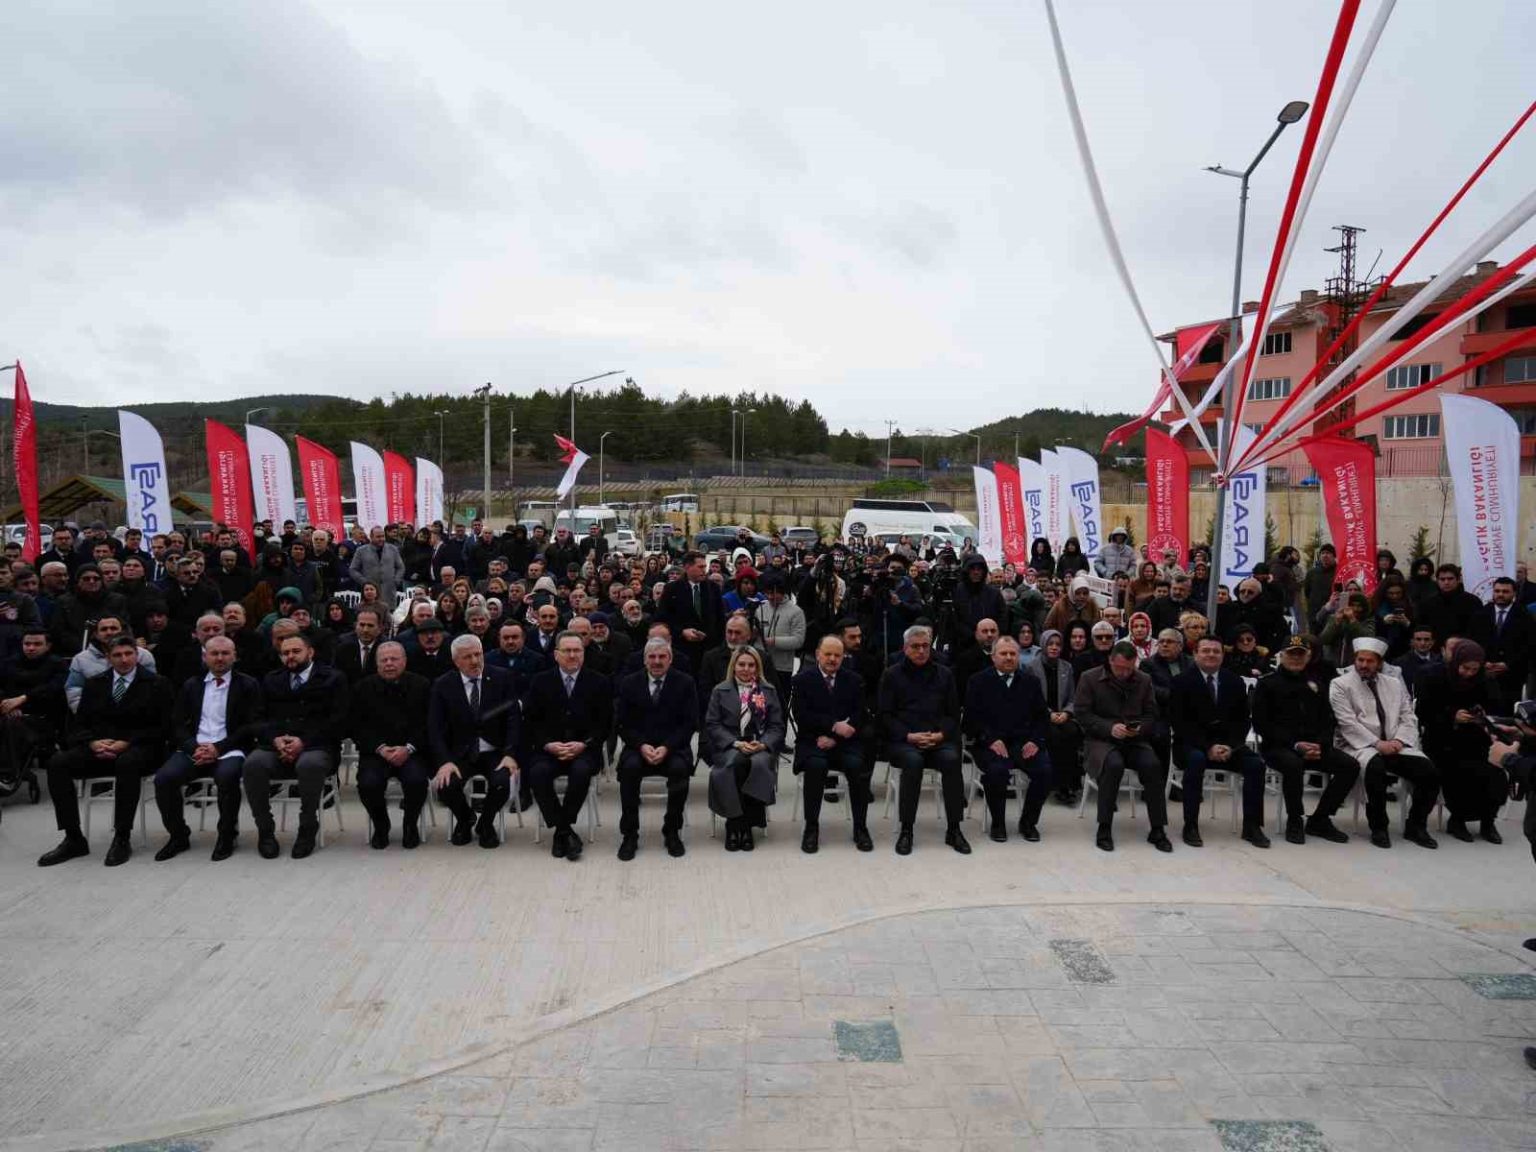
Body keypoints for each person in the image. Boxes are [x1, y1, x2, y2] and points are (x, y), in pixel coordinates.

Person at [38, 637, 174, 867]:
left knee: (127, 763)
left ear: (137, 655)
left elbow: (164, 726)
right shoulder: (95, 683)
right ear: (109, 658)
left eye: (128, 654)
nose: (124, 659)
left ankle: (122, 836)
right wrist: (92, 743)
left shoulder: (157, 683)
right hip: (100, 747)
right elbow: (79, 724)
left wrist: (126, 742)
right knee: (58, 763)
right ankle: (73, 838)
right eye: (117, 655)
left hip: (141, 748)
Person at [152, 636, 264, 861]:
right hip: (195, 748)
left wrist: (218, 748)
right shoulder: (192, 685)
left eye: (225, 653)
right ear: (205, 657)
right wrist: (194, 747)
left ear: (234, 656)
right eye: (214, 653)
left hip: (229, 748)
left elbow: (251, 725)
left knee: (227, 777)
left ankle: (227, 835)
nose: (220, 658)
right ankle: (178, 835)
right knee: (164, 779)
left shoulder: (248, 685)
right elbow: (177, 724)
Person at [242, 632, 350, 859]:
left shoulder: (333, 678)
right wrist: (276, 739)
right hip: (276, 746)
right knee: (253, 764)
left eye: (296, 651)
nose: (290, 656)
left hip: (317, 746)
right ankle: (265, 829)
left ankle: (307, 826)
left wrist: (304, 741)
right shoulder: (271, 679)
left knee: (309, 765)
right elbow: (257, 719)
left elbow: (339, 721)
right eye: (285, 653)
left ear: (310, 652)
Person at [1329, 636, 1440, 850]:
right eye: (1360, 660)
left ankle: (1416, 825)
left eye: (1370, 661)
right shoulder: (1340, 684)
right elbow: (1347, 723)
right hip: (1359, 746)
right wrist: (1377, 744)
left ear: (1379, 663)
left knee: (1429, 772)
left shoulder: (1394, 684)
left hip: (1395, 744)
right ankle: (1379, 827)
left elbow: (1408, 716)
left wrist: (1399, 740)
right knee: (1375, 770)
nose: (1364, 665)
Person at [1249, 636, 1358, 844]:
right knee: (1293, 764)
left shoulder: (1316, 684)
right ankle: (1295, 819)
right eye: (1291, 653)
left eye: (1301, 654)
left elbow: (1328, 720)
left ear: (1308, 657)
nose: (1296, 658)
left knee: (1350, 765)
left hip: (1314, 747)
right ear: (1281, 656)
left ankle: (1320, 818)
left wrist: (1320, 744)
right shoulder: (1267, 684)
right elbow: (1262, 724)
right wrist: (1295, 745)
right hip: (1278, 747)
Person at [1170, 637, 1270, 848]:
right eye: (1205, 650)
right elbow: (1180, 723)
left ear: (1223, 655)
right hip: (1192, 744)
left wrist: (1230, 746)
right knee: (1196, 760)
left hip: (1228, 745)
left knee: (1255, 764)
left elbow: (1243, 720)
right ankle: (1190, 825)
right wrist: (1208, 747)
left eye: (1216, 651)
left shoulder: (1234, 681)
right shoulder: (1181, 681)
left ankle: (1252, 826)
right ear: (1195, 654)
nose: (1211, 655)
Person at [878, 625, 968, 856]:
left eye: (925, 646)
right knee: (913, 762)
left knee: (952, 760)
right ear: (905, 648)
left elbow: (953, 713)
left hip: (937, 739)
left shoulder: (944, 674)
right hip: (905, 740)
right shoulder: (892, 675)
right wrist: (908, 736)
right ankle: (906, 830)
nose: (921, 651)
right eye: (915, 646)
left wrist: (941, 734)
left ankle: (954, 828)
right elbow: (885, 716)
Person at [1073, 641, 1171, 853]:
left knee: (1153, 765)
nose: (1124, 673)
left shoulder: (1144, 680)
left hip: (1134, 740)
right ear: (1110, 661)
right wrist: (1109, 728)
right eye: (1119, 668)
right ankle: (1104, 827)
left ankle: (1158, 828)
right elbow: (1082, 714)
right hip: (1100, 740)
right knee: (1113, 765)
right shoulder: (1089, 678)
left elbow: (1151, 714)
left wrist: (1140, 728)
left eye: (1129, 668)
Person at [524, 630, 612, 860]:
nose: (572, 655)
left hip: (584, 750)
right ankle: (565, 830)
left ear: (584, 653)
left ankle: (560, 831)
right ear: (556, 654)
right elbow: (531, 722)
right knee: (537, 773)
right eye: (567, 651)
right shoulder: (540, 681)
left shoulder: (599, 682)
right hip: (549, 750)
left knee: (581, 772)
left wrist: (584, 744)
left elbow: (605, 724)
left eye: (577, 650)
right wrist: (547, 744)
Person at [427, 635, 519, 848]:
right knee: (445, 785)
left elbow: (513, 720)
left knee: (501, 783)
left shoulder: (502, 678)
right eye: (467, 657)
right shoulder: (443, 685)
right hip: (460, 752)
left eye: (478, 654)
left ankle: (485, 824)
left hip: (494, 751)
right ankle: (465, 818)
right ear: (456, 661)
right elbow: (435, 728)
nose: (475, 661)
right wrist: (444, 761)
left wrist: (510, 754)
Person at [1414, 639, 1507, 845]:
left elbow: (1496, 708)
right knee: (1460, 770)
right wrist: (1452, 716)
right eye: (1465, 668)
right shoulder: (1435, 677)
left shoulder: (1485, 680)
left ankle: (1488, 821)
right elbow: (1423, 713)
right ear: (1456, 662)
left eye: (1474, 669)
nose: (1469, 673)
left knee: (1495, 772)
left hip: (1476, 737)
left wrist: (1481, 714)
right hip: (1442, 739)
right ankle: (1458, 819)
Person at [614, 637, 697, 860]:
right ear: (644, 660)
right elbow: (622, 723)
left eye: (662, 656)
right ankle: (630, 834)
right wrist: (641, 745)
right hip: (638, 747)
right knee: (629, 769)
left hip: (673, 747)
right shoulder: (629, 683)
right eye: (652, 656)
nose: (657, 661)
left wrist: (667, 747)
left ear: (670, 659)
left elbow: (689, 723)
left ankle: (672, 830)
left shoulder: (685, 683)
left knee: (680, 771)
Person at [965, 636, 1054, 843]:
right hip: (989, 744)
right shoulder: (978, 681)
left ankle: (1028, 823)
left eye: (1012, 653)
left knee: (1045, 771)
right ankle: (998, 823)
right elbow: (970, 720)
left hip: (1023, 743)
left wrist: (1035, 741)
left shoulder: (1031, 682)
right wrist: (990, 739)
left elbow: (1042, 718)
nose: (1008, 657)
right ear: (993, 656)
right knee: (997, 771)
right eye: (1003, 653)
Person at [791, 634, 871, 853]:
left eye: (837, 655)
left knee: (858, 766)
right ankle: (811, 828)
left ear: (843, 657)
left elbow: (860, 714)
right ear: (818, 654)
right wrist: (833, 726)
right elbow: (801, 716)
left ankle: (860, 827)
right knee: (816, 766)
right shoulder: (802, 680)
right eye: (828, 654)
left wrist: (836, 738)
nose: (832, 659)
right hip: (813, 740)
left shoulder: (854, 680)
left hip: (845, 742)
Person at [350, 640, 432, 849]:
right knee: (368, 784)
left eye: (394, 659)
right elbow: (356, 726)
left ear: (404, 661)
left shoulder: (422, 685)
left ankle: (410, 824)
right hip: (376, 752)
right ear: (376, 664)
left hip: (411, 751)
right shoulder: (362, 687)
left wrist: (409, 748)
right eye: (383, 660)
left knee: (416, 781)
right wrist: (380, 748)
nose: (389, 664)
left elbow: (429, 724)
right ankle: (381, 825)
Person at [704, 643, 785, 852]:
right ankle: (737, 825)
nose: (746, 669)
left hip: (759, 744)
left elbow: (777, 726)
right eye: (741, 664)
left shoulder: (768, 691)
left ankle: (743, 826)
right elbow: (712, 724)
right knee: (736, 763)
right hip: (729, 744)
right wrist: (735, 743)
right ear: (734, 665)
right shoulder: (720, 690)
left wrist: (764, 743)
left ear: (757, 667)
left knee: (755, 764)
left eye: (751, 665)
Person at [1468, 576, 1535, 709]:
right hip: (1484, 674)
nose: (1500, 595)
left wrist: (1507, 664)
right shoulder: (1481, 613)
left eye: (1505, 592)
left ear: (1514, 593)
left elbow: (1529, 645)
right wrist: (1483, 662)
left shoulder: (1524, 615)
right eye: (1497, 591)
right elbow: (1473, 640)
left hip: (1512, 676)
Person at [659, 551, 726, 675]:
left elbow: (720, 619)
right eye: (700, 567)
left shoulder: (713, 588)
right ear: (687, 567)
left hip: (708, 651)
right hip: (682, 651)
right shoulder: (672, 590)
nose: (704, 570)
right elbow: (663, 620)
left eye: (705, 566)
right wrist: (682, 632)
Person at [755, 574, 806, 698]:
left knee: (781, 700)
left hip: (782, 667)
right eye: (767, 593)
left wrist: (774, 641)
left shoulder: (796, 612)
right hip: (760, 665)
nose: (770, 597)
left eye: (774, 593)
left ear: (783, 592)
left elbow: (798, 640)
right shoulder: (760, 609)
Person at [1417, 564, 1482, 645]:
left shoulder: (1473, 602)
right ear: (1437, 581)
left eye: (1450, 579)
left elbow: (1478, 630)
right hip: (1436, 649)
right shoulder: (1427, 604)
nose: (1446, 582)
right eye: (1442, 579)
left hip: (1464, 648)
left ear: (1458, 580)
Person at [349, 526, 406, 603]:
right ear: (371, 537)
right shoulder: (361, 551)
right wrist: (364, 582)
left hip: (389, 593)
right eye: (378, 537)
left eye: (383, 536)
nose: (381, 539)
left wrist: (396, 580)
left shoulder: (393, 549)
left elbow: (401, 567)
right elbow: (353, 569)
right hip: (369, 594)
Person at [334, 604, 385, 684]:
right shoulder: (343, 645)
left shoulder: (386, 648)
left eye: (370, 625)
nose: (365, 630)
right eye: (362, 625)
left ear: (380, 628)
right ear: (355, 626)